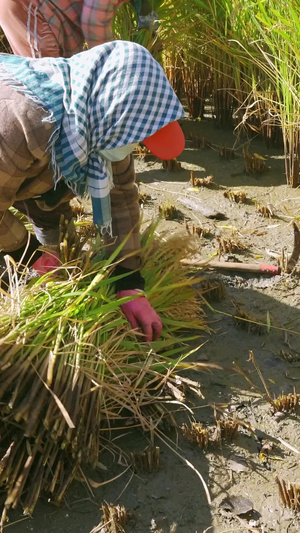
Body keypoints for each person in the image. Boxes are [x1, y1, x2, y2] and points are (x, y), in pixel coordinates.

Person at [0, 40, 185, 342]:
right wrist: (26, 252)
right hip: (10, 139)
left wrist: (129, 281)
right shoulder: (23, 123)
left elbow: (122, 196)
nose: (132, 147)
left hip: (24, 161)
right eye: (134, 136)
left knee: (51, 227)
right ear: (111, 106)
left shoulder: (103, 122)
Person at [0, 0, 155, 58]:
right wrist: (112, 66)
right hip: (30, 11)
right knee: (48, 87)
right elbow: (94, 25)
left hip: (56, 15)